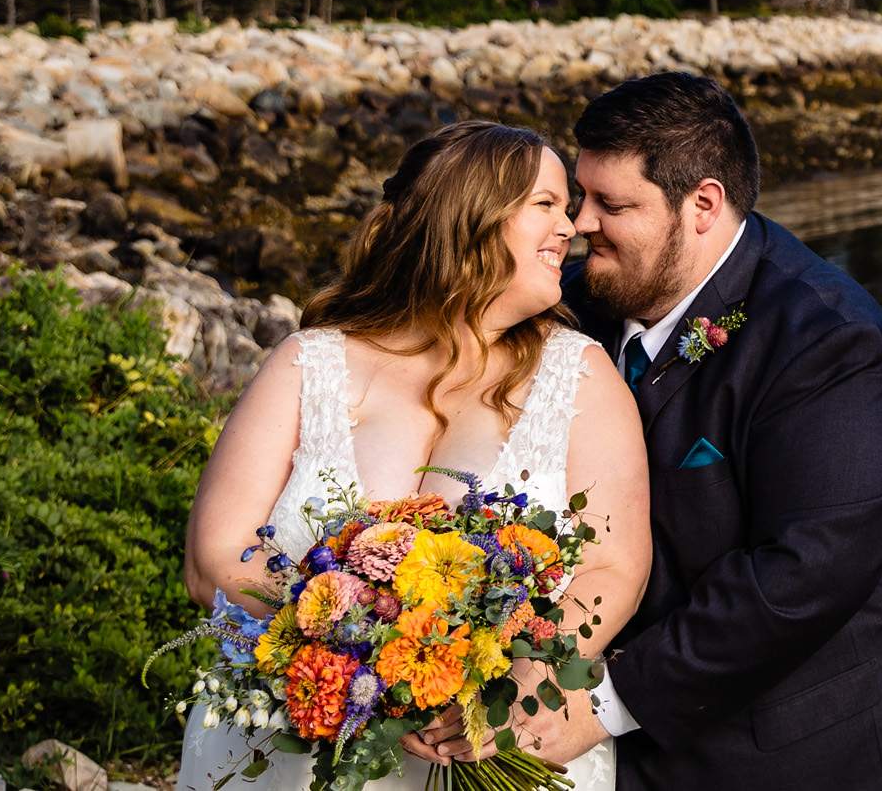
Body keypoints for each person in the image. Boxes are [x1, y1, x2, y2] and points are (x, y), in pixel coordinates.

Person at [177, 120, 652, 791]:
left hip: (489, 749)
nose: (572, 226)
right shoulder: (308, 363)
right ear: (471, 218)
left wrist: (518, 682)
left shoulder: (581, 377)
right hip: (287, 753)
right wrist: (354, 632)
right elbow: (213, 560)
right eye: (546, 204)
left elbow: (614, 566)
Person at [559, 72, 882, 791]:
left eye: (611, 203)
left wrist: (605, 703)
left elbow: (802, 573)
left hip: (841, 741)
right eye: (581, 196)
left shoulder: (826, 339)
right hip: (663, 738)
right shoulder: (581, 300)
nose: (580, 222)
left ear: (702, 205)